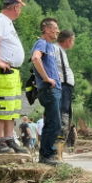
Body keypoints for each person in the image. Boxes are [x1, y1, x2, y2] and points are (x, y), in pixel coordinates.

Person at [0, 0, 27, 152]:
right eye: (20, 8)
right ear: (15, 7)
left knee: (12, 108)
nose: (20, 11)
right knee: (1, 107)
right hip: (3, 71)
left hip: (11, 72)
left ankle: (9, 139)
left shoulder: (7, 22)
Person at [31, 17, 63, 164]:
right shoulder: (41, 43)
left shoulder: (50, 46)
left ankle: (47, 154)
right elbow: (35, 59)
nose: (58, 31)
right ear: (47, 29)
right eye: (55, 28)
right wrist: (46, 78)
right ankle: (46, 155)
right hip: (49, 89)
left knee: (52, 122)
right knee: (54, 123)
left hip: (54, 89)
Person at [57, 30, 77, 149]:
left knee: (66, 115)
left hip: (66, 88)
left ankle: (59, 151)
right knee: (63, 116)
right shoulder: (56, 50)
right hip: (63, 87)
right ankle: (57, 150)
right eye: (73, 40)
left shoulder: (62, 52)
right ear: (69, 40)